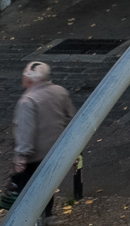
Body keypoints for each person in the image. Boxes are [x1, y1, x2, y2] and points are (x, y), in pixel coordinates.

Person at [9, 60, 85, 214]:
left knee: (27, 189)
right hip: (56, 151)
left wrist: (21, 157)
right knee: (46, 187)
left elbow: (26, 131)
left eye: (24, 74)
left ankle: (28, 220)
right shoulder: (60, 91)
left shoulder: (28, 101)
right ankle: (47, 215)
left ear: (29, 78)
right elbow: (70, 119)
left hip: (34, 156)